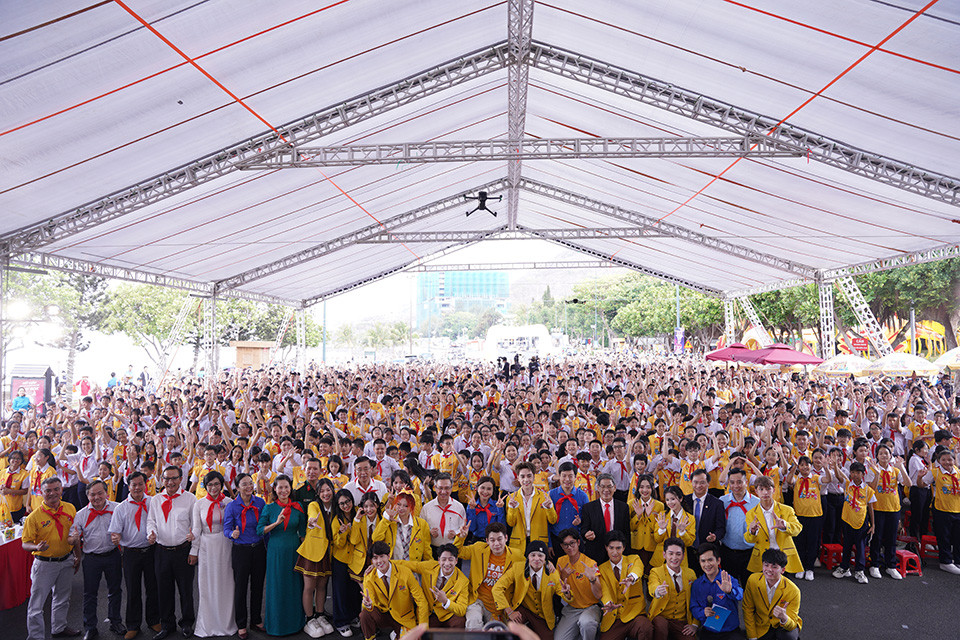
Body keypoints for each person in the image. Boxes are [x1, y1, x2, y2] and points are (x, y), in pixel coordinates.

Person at [22, 476, 79, 640]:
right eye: (48, 490)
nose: (53, 493)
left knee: (62, 598)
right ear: (41, 492)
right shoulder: (34, 517)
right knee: (36, 605)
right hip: (45, 564)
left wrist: (77, 556)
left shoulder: (70, 508)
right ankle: (35, 636)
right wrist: (36, 547)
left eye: (56, 489)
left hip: (66, 560)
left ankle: (59, 628)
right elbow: (25, 544)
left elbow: (74, 535)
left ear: (61, 490)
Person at [145, 465, 196, 640]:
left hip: (183, 550)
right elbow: (151, 521)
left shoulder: (190, 499)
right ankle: (167, 624)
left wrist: (194, 551)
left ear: (181, 479)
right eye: (166, 478)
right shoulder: (156, 500)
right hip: (161, 551)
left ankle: (187, 623)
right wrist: (150, 533)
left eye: (174, 478)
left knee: (185, 590)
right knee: (164, 590)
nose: (170, 482)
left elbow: (195, 526)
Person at [109, 471, 161, 640]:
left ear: (145, 485)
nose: (137, 487)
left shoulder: (153, 502)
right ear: (129, 486)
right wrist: (116, 537)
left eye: (140, 484)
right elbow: (115, 532)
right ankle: (133, 624)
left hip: (151, 551)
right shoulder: (121, 508)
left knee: (153, 587)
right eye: (134, 485)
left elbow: (161, 524)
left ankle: (153, 620)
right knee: (133, 589)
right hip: (131, 553)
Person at [69, 480, 124, 640]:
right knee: (90, 594)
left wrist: (120, 537)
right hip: (92, 558)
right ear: (87, 496)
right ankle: (90, 627)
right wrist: (74, 545)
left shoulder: (117, 508)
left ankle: (115, 621)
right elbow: (74, 537)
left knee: (115, 590)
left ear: (106, 493)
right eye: (92, 494)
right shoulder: (81, 515)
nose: (97, 497)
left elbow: (126, 528)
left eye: (100, 493)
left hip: (112, 555)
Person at [257, 474, 307, 636]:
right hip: (276, 551)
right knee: (277, 585)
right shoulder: (269, 508)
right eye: (280, 487)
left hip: (294, 548)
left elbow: (303, 531)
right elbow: (260, 530)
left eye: (287, 487)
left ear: (290, 488)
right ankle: (277, 624)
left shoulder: (298, 506)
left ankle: (296, 622)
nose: (284, 490)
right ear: (275, 489)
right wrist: (276, 523)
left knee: (294, 584)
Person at [190, 471, 236, 637]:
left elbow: (232, 525)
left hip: (225, 545)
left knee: (226, 583)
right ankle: (208, 624)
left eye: (217, 484)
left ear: (222, 484)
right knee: (207, 585)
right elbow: (197, 528)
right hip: (206, 546)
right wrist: (192, 546)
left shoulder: (229, 502)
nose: (214, 488)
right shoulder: (199, 504)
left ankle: (227, 622)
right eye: (210, 484)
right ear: (205, 486)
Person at [493, 540, 569, 640]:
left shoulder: (552, 573)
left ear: (545, 558)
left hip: (542, 615)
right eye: (533, 555)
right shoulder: (517, 568)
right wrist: (510, 611)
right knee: (512, 630)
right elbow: (497, 588)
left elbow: (563, 594)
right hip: (523, 609)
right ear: (528, 557)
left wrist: (567, 592)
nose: (536, 559)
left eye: (540, 555)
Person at [223, 473, 267, 639]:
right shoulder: (232, 507)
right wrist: (231, 534)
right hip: (241, 550)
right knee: (240, 588)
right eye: (244, 484)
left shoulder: (260, 502)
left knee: (257, 586)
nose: (249, 487)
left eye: (250, 483)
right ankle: (241, 623)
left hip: (258, 549)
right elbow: (226, 528)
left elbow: (265, 525)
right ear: (237, 487)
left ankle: (256, 619)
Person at [456, 521, 523, 629]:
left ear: (506, 538)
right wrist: (461, 537)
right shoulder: (478, 548)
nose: (496, 544)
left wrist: (548, 564)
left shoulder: (517, 555)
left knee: (498, 631)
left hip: (499, 605)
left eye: (499, 539)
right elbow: (458, 552)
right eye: (492, 540)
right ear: (487, 541)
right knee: (473, 622)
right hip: (477, 599)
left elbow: (531, 565)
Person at [360, 541, 429, 639]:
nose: (379, 561)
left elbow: (421, 600)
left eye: (382, 556)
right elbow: (369, 599)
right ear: (371, 560)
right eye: (375, 558)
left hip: (403, 616)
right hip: (383, 615)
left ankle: (397, 633)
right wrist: (368, 605)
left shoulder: (405, 572)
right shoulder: (369, 576)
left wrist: (422, 628)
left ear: (389, 555)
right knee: (364, 615)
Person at [397, 542, 471, 627]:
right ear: (439, 560)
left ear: (456, 561)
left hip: (448, 614)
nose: (447, 563)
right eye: (444, 559)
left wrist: (445, 601)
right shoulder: (429, 566)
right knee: (425, 632)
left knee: (460, 622)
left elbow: (462, 610)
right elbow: (408, 565)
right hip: (430, 613)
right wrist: (387, 563)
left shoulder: (463, 581)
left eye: (451, 559)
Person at [597, 530, 653, 640]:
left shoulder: (634, 559)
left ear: (623, 548)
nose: (615, 552)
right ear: (606, 548)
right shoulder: (601, 569)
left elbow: (638, 569)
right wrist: (609, 603)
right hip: (614, 617)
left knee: (646, 628)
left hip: (635, 614)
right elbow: (604, 591)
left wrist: (631, 578)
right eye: (611, 548)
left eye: (618, 548)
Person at [297, 479, 335, 638]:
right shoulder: (314, 506)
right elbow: (312, 517)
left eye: (328, 490)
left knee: (322, 585)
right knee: (309, 586)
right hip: (313, 551)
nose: (326, 494)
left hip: (327, 552)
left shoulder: (336, 507)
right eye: (322, 491)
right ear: (318, 493)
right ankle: (309, 618)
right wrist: (312, 522)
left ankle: (320, 614)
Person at [743, 476, 803, 578]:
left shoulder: (787, 510)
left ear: (774, 490)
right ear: (756, 491)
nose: (765, 492)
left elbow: (798, 529)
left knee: (783, 589)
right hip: (763, 557)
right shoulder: (751, 514)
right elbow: (749, 539)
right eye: (761, 489)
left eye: (768, 489)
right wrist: (752, 532)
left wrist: (784, 525)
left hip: (783, 556)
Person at [866, 445, 910, 579]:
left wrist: (901, 466)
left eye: (887, 453)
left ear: (891, 456)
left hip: (893, 508)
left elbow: (908, 483)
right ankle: (875, 564)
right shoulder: (873, 469)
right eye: (881, 453)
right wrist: (877, 473)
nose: (884, 456)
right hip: (878, 508)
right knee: (877, 538)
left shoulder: (895, 471)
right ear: (877, 456)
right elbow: (871, 489)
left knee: (891, 538)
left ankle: (890, 565)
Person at [830, 461, 875, 583]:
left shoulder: (867, 490)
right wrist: (835, 466)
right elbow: (839, 477)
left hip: (861, 522)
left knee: (860, 547)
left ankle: (860, 571)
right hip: (847, 520)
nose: (855, 475)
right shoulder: (847, 485)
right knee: (847, 545)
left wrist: (873, 525)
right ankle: (844, 568)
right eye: (853, 472)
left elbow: (870, 508)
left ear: (863, 474)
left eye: (858, 473)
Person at [742, 548, 802, 640]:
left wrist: (784, 618)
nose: (769, 570)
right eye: (766, 565)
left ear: (782, 570)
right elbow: (747, 609)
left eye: (774, 567)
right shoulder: (753, 580)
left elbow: (792, 624)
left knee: (789, 636)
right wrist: (752, 637)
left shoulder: (793, 590)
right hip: (761, 624)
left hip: (781, 626)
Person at [554, 528, 602, 640]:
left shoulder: (590, 563)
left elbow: (599, 595)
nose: (569, 547)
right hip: (571, 608)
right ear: (561, 546)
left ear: (578, 542)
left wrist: (592, 579)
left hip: (591, 607)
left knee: (587, 624)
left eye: (572, 543)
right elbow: (558, 589)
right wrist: (563, 576)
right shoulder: (561, 562)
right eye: (565, 545)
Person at [690, 543, 744, 640]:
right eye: (703, 561)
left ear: (718, 560)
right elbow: (693, 607)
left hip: (731, 632)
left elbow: (740, 595)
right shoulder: (697, 584)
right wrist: (703, 612)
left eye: (710, 560)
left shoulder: (728, 579)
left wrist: (730, 591)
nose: (707, 565)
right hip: (708, 631)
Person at [648, 536, 697, 640]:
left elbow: (697, 599)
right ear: (664, 555)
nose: (674, 558)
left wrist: (695, 625)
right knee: (661, 626)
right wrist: (657, 591)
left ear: (683, 556)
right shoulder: (655, 571)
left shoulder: (690, 574)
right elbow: (653, 585)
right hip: (661, 617)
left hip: (681, 621)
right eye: (670, 553)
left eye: (678, 554)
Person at [920, 447, 960, 574]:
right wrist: (919, 478)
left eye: (950, 459)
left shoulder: (958, 472)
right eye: (944, 460)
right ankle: (945, 561)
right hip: (942, 509)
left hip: (957, 509)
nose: (947, 462)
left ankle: (957, 560)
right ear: (939, 461)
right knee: (944, 537)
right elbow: (923, 484)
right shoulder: (935, 472)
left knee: (957, 537)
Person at [718, 468, 758, 587]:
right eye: (732, 482)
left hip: (750, 553)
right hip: (728, 553)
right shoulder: (722, 501)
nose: (736, 485)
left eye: (740, 482)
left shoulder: (757, 502)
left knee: (751, 590)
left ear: (746, 482)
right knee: (729, 591)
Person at [579, 473, 631, 564]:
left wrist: (626, 553)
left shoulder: (623, 507)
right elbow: (584, 530)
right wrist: (587, 534)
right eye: (602, 486)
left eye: (609, 486)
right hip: (596, 552)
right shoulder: (588, 508)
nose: (606, 490)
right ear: (598, 488)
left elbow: (626, 533)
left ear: (614, 488)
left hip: (617, 553)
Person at [506, 461, 557, 551]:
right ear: (518, 478)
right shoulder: (512, 498)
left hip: (539, 541)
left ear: (534, 477)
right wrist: (512, 508)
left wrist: (549, 508)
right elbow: (511, 523)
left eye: (529, 476)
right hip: (518, 543)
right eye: (522, 476)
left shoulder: (544, 496)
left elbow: (552, 520)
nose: (526, 479)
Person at [682, 469, 726, 574]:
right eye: (695, 482)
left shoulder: (717, 503)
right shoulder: (684, 501)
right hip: (688, 550)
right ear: (691, 482)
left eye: (702, 482)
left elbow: (721, 528)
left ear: (708, 483)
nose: (698, 485)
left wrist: (715, 536)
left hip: (707, 551)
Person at [374, 492, 432, 561]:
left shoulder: (422, 524)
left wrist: (430, 566)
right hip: (394, 566)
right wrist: (386, 520)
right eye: (398, 504)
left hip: (413, 568)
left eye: (406, 506)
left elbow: (427, 550)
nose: (401, 508)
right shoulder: (389, 522)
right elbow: (375, 538)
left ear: (411, 508)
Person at [421, 472, 467, 550]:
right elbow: (421, 528)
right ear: (435, 488)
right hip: (432, 549)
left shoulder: (459, 507)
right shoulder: (426, 508)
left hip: (454, 549)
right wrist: (429, 532)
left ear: (451, 488)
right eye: (440, 488)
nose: (443, 492)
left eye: (447, 488)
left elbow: (463, 527)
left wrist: (456, 533)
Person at [465, 475, 506, 543]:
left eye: (489, 489)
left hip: (494, 540)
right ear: (477, 488)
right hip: (477, 540)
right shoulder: (471, 505)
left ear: (493, 490)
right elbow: (472, 528)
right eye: (482, 488)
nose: (485, 491)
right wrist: (472, 509)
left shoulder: (497, 505)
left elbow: (502, 528)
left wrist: (500, 509)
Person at [1, 449, 30, 523]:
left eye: (18, 458)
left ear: (21, 460)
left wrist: (10, 491)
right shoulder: (2, 472)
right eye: (13, 458)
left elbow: (25, 491)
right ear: (9, 459)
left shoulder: (24, 474)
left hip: (15, 507)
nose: (15, 460)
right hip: (2, 507)